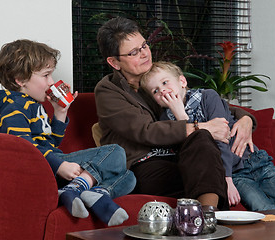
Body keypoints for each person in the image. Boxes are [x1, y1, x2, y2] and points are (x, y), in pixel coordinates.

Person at [94, 16, 256, 210]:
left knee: (202, 140)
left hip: (179, 155)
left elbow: (198, 101)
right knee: (203, 144)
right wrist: (201, 126)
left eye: (144, 45)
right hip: (145, 164)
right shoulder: (108, 91)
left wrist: (245, 118)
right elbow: (145, 130)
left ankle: (206, 217)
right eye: (134, 52)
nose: (145, 54)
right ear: (114, 62)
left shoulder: (155, 78)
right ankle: (207, 220)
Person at [0, 39, 136, 226]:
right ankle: (79, 188)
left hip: (50, 164)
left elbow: (50, 144)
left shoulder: (32, 105)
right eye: (46, 75)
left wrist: (60, 112)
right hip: (41, 170)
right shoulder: (13, 106)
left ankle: (84, 191)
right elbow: (23, 148)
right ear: (20, 80)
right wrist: (58, 166)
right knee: (115, 152)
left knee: (129, 177)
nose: (51, 82)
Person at [140, 61, 275, 211]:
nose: (163, 91)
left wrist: (227, 180)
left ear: (182, 81)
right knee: (263, 209)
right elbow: (192, 155)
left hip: (257, 161)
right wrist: (181, 117)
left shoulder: (208, 97)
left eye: (165, 82)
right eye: (155, 91)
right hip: (237, 173)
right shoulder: (165, 122)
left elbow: (222, 139)